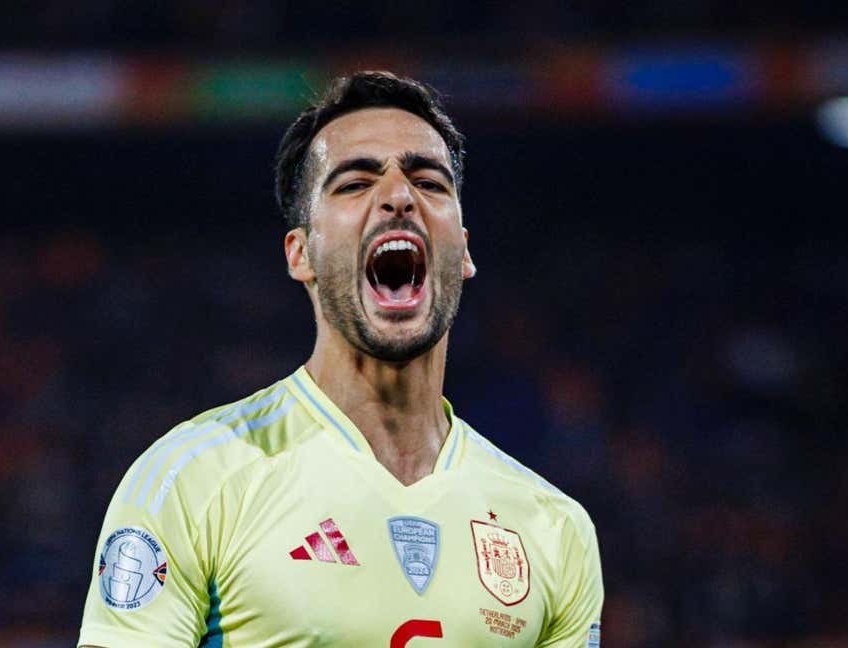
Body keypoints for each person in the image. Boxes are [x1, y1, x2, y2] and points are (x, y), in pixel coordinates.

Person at [78, 71, 603, 647]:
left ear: (465, 251)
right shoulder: (194, 479)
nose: (399, 196)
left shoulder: (553, 527)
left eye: (429, 182)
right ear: (301, 253)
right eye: (355, 183)